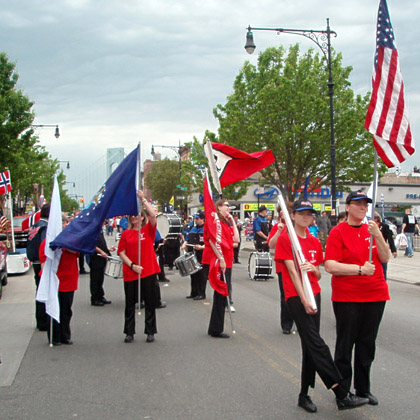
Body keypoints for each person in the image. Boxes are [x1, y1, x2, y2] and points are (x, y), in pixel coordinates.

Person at [275, 198, 369, 413]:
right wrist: (304, 300)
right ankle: (341, 391)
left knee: (310, 347)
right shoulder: (286, 240)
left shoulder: (315, 241)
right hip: (297, 297)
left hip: (315, 293)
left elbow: (318, 272)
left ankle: (304, 394)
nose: (306, 217)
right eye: (302, 213)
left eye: (310, 213)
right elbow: (292, 272)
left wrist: (312, 270)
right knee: (317, 343)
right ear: (293, 216)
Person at [325, 191, 390, 406]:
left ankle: (364, 389)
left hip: (375, 294)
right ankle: (343, 392)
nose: (363, 207)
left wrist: (378, 235)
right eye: (358, 204)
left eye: (365, 204)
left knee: (367, 344)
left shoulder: (372, 230)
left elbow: (385, 257)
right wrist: (360, 269)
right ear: (348, 207)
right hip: (348, 296)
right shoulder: (338, 232)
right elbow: (331, 265)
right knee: (345, 344)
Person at [118, 191, 161, 343]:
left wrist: (143, 199)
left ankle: (150, 331)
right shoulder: (126, 234)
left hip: (148, 272)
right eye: (133, 216)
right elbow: (121, 253)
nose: (135, 218)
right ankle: (129, 332)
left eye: (138, 215)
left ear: (142, 217)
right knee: (130, 303)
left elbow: (154, 216)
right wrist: (132, 265)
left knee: (150, 303)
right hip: (131, 272)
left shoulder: (148, 231)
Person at [39, 214, 79, 346]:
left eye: (64, 222)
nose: (63, 224)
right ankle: (54, 336)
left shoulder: (71, 239)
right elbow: (43, 260)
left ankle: (65, 335)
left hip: (68, 280)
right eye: (60, 222)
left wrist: (64, 244)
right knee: (53, 308)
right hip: (55, 280)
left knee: (66, 310)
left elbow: (77, 252)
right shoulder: (47, 241)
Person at [207, 199, 240, 338]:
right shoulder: (216, 223)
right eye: (227, 206)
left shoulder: (226, 223)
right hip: (221, 262)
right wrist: (220, 259)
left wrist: (232, 221)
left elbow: (237, 240)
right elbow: (211, 240)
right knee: (220, 295)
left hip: (228, 262)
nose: (229, 209)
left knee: (221, 295)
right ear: (219, 207)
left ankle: (214, 327)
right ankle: (216, 329)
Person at [268, 204, 294, 334]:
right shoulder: (277, 227)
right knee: (285, 295)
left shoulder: (296, 226)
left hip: (297, 265)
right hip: (282, 266)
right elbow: (271, 245)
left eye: (286, 211)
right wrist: (278, 231)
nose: (283, 213)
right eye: (281, 211)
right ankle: (286, 323)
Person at [28, 203, 50, 331]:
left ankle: (40, 320)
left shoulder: (34, 226)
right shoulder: (45, 228)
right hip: (41, 262)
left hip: (34, 261)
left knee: (39, 290)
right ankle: (43, 321)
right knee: (44, 292)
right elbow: (44, 246)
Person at [89, 222, 115, 306]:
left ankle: (100, 296)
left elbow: (100, 244)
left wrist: (108, 249)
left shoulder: (99, 229)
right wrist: (101, 251)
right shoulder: (92, 230)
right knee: (95, 279)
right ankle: (95, 298)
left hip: (101, 257)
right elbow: (91, 244)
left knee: (100, 278)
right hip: (96, 257)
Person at [182, 211, 206, 300]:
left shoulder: (206, 229)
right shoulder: (193, 228)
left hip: (202, 255)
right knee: (193, 274)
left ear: (203, 219)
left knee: (201, 275)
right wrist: (184, 244)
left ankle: (201, 293)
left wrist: (202, 247)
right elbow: (187, 239)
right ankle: (194, 292)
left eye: (198, 219)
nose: (196, 220)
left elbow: (209, 242)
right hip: (192, 254)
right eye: (195, 218)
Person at [374, 213, 397, 280]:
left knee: (383, 268)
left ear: (376, 219)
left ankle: (383, 281)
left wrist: (393, 250)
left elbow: (390, 238)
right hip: (372, 250)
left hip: (382, 248)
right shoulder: (368, 227)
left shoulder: (384, 226)